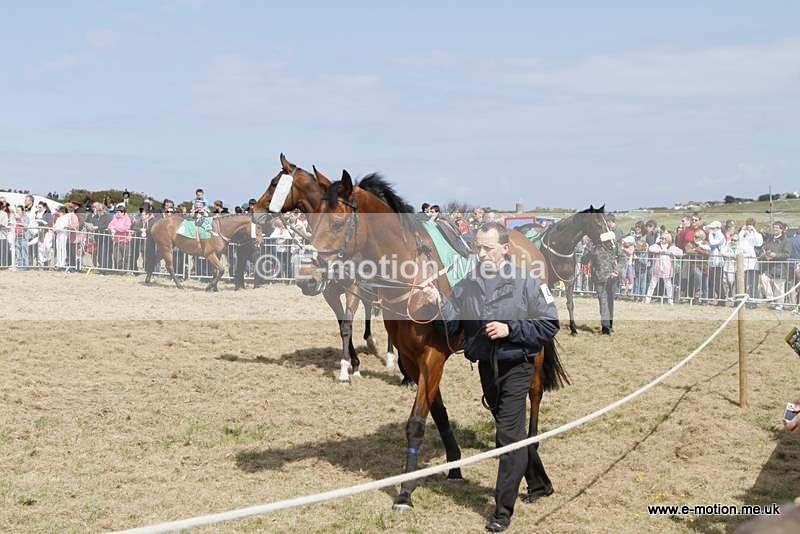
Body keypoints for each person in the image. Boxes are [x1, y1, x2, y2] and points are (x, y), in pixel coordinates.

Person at [422, 222, 559, 532]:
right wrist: (438, 301)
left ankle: (501, 511)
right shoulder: (468, 283)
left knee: (507, 438)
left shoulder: (527, 280)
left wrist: (511, 330)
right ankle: (539, 483)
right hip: (487, 365)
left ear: (505, 249)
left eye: (487, 248)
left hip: (517, 366)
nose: (480, 253)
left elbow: (550, 324)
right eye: (477, 248)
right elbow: (455, 324)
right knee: (510, 432)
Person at [644, 232, 683, 304]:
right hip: (657, 268)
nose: (661, 240)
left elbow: (680, 252)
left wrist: (670, 253)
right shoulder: (657, 245)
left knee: (668, 285)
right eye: (661, 238)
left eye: (663, 238)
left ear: (667, 239)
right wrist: (660, 251)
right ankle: (648, 299)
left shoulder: (671, 247)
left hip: (667, 269)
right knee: (652, 284)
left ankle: (670, 300)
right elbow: (650, 248)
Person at [759, 221, 791, 310]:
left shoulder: (786, 241)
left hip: (780, 266)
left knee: (779, 287)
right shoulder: (770, 239)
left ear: (782, 230)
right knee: (764, 278)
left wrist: (775, 255)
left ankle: (779, 305)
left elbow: (787, 254)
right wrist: (765, 254)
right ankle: (770, 298)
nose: (775, 229)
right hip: (769, 266)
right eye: (774, 227)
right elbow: (764, 248)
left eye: (777, 228)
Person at [739, 218, 763, 309]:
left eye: (751, 224)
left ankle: (754, 302)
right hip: (743, 262)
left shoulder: (756, 235)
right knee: (745, 284)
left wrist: (754, 231)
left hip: (752, 263)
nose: (749, 226)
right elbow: (739, 241)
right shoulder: (743, 234)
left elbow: (759, 243)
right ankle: (745, 301)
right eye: (748, 224)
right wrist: (742, 230)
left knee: (753, 283)